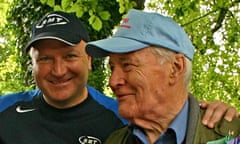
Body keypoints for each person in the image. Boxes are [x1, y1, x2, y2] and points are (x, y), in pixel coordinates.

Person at [0, 10, 238, 144]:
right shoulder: (117, 139)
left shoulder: (228, 134)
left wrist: (227, 127)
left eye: (128, 65)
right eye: (44, 59)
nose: (113, 81)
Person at [86, 9, 240, 144]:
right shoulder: (114, 140)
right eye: (112, 68)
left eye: (128, 65)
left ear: (175, 68)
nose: (113, 82)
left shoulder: (231, 137)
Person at [0, 11, 125, 144]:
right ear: (32, 65)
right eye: (45, 58)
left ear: (89, 60)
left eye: (70, 56)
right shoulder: (4, 110)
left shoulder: (122, 120)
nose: (58, 71)